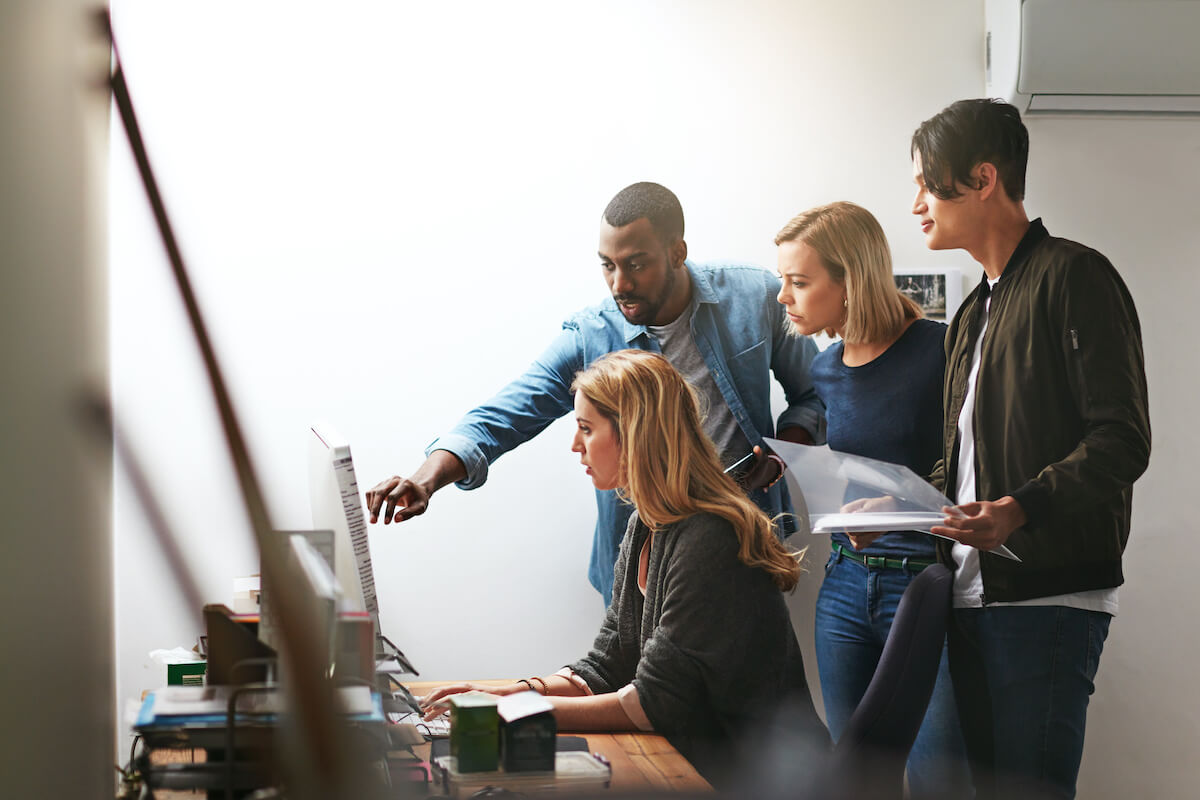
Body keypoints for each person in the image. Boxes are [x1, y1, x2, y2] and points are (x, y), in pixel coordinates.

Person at [366, 182, 824, 603]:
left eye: (636, 265)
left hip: (743, 543)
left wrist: (783, 454)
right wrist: (426, 479)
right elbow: (502, 415)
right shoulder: (590, 335)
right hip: (644, 569)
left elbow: (814, 395)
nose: (619, 283)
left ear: (677, 251)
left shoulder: (757, 294)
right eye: (608, 266)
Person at [418, 350, 828, 785]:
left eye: (586, 429)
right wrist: (516, 691)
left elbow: (652, 704)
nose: (575, 446)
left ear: (635, 435)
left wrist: (514, 712)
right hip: (709, 763)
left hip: (768, 780)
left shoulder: (710, 536)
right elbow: (606, 664)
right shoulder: (646, 523)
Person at [911, 99, 1151, 799]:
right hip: (965, 596)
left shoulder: (1076, 276)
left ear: (983, 178)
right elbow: (961, 458)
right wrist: (903, 500)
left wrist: (1018, 508)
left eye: (927, 183)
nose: (917, 203)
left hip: (1048, 600)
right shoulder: (969, 313)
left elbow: (1122, 439)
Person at [774, 201, 970, 799]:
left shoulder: (941, 349)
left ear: (849, 280)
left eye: (799, 282)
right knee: (855, 780)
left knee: (937, 779)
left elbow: (974, 469)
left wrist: (898, 510)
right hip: (843, 590)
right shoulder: (827, 369)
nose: (784, 296)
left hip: (925, 589)